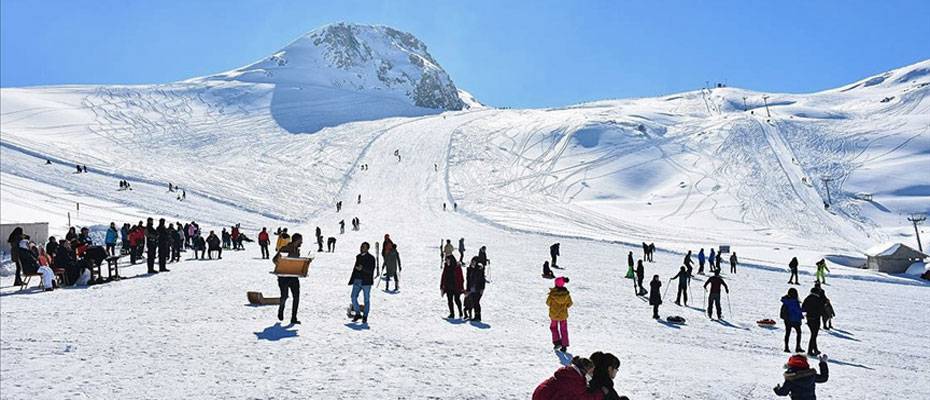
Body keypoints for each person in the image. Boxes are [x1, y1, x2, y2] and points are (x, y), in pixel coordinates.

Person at [532, 356, 602, 400]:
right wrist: (601, 393)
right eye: (591, 372)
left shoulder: (569, 374)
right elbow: (583, 398)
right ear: (584, 369)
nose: (592, 375)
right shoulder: (574, 380)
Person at [273, 233, 303, 324]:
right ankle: (281, 309)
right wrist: (281, 263)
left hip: (293, 276)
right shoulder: (285, 248)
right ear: (296, 240)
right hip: (283, 277)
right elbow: (275, 260)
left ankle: (294, 318)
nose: (302, 242)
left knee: (296, 297)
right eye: (300, 240)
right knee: (285, 296)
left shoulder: (297, 250)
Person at [349, 242, 377, 324]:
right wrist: (352, 279)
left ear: (367, 249)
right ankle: (357, 313)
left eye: (363, 247)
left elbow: (371, 270)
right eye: (361, 246)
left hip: (366, 282)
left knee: (366, 300)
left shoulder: (371, 258)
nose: (361, 248)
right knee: (353, 297)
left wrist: (362, 269)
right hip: (357, 280)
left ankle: (365, 316)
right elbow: (355, 268)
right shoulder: (358, 257)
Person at [547, 276, 573, 352]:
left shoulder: (552, 294)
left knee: (553, 327)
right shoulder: (566, 294)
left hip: (554, 315)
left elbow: (548, 303)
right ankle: (564, 345)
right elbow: (570, 303)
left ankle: (557, 342)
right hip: (563, 315)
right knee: (563, 329)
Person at [801, 287, 825, 356]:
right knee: (814, 335)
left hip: (809, 319)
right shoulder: (818, 299)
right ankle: (810, 350)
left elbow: (803, 309)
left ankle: (815, 349)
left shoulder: (807, 298)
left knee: (813, 334)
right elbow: (822, 310)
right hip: (816, 319)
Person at [781, 288, 804, 353]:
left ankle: (786, 347)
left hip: (787, 319)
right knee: (799, 333)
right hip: (795, 320)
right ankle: (797, 347)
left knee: (787, 333)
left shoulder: (786, 300)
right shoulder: (794, 301)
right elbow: (798, 310)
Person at [441, 254, 465, 319]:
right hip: (448, 287)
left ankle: (460, 312)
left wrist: (461, 287)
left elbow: (461, 278)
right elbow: (443, 277)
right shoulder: (446, 266)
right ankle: (452, 314)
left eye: (448, 260)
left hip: (456, 286)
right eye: (446, 260)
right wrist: (442, 287)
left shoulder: (457, 267)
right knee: (450, 300)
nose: (447, 261)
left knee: (457, 300)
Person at [464, 257, 486, 321]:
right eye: (472, 262)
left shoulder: (479, 269)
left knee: (476, 302)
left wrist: (482, 288)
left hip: (478, 289)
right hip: (471, 289)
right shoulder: (469, 269)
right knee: (473, 302)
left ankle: (478, 316)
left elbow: (482, 280)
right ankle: (475, 315)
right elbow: (468, 280)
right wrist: (467, 290)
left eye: (474, 262)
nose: (473, 263)